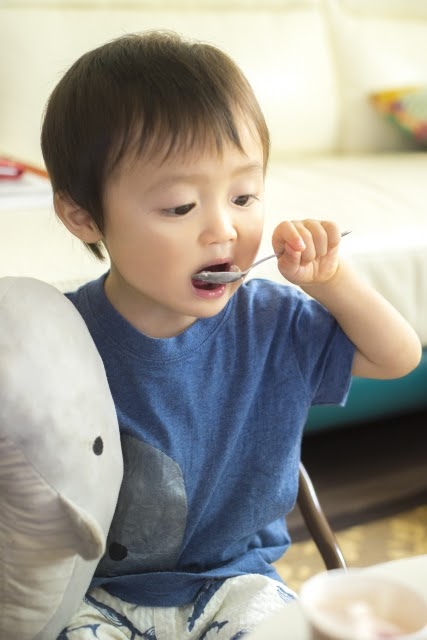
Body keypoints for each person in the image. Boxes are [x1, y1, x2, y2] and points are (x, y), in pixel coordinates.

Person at [41, 30, 421, 639]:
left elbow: (398, 357)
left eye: (244, 196)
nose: (223, 230)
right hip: (94, 597)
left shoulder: (273, 320)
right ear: (84, 215)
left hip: (236, 585)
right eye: (179, 208)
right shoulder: (54, 337)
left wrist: (334, 282)